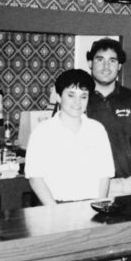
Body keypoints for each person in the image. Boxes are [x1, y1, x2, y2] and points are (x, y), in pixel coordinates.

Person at [25, 69, 115, 205]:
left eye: (83, 96)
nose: (77, 102)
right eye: (71, 95)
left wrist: (99, 205)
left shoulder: (97, 130)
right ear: (59, 97)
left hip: (91, 206)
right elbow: (35, 177)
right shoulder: (43, 132)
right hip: (54, 206)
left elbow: (105, 174)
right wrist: (54, 211)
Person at [86, 38, 131, 196]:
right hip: (86, 184)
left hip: (122, 187)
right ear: (90, 63)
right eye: (99, 59)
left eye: (112, 60)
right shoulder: (78, 99)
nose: (106, 66)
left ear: (119, 66)